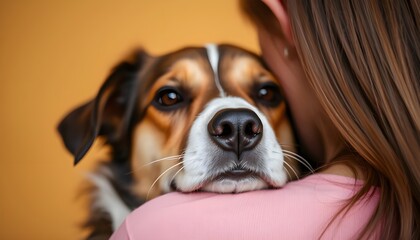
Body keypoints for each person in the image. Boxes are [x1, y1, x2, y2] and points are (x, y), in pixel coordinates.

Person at [111, 0, 419, 239]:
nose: (237, 126)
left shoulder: (151, 231)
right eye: (171, 98)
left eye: (265, 93)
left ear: (277, 12)